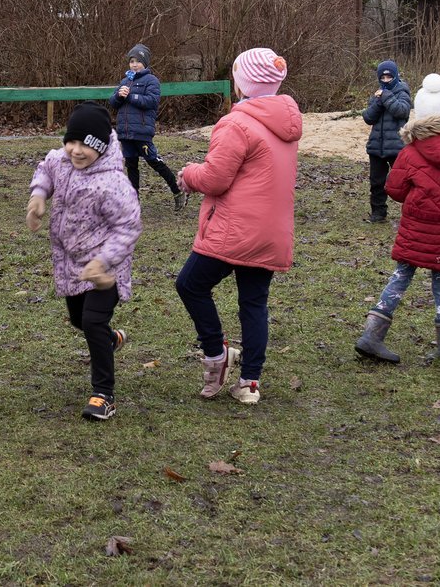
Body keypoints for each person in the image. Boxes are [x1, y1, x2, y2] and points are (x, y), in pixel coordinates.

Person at [174, 48, 303, 406]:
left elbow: (215, 179)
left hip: (235, 229)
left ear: (241, 81)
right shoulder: (287, 123)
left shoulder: (236, 123)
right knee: (254, 302)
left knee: (190, 285)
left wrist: (187, 174)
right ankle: (250, 382)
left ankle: (216, 353)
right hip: (272, 232)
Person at [354, 74, 440, 366]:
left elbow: (394, 189)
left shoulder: (411, 152)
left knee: (401, 276)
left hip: (417, 228)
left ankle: (373, 335)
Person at [27, 103, 142, 421]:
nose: (76, 151)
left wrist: (104, 261)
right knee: (80, 321)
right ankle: (110, 339)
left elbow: (128, 226)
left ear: (101, 147)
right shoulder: (61, 160)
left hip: (106, 269)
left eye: (86, 146)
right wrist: (38, 196)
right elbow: (45, 169)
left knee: (92, 320)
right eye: (72, 142)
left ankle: (104, 395)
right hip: (73, 265)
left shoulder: (114, 184)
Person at [112, 44, 183, 207]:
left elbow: (151, 101)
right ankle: (133, 201)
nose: (134, 64)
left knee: (154, 161)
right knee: (131, 166)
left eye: (138, 61)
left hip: (142, 131)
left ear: (145, 62)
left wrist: (130, 97)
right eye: (131, 61)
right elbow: (113, 102)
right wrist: (118, 95)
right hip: (126, 132)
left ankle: (177, 190)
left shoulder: (151, 81)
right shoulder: (125, 81)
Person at [361, 60, 412, 222]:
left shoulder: (403, 93)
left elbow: (402, 111)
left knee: (403, 183)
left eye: (388, 77)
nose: (385, 80)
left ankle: (411, 211)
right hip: (376, 146)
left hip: (396, 147)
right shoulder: (377, 95)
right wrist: (378, 102)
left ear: (395, 76)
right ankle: (378, 213)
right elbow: (368, 117)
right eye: (382, 77)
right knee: (376, 183)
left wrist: (386, 97)